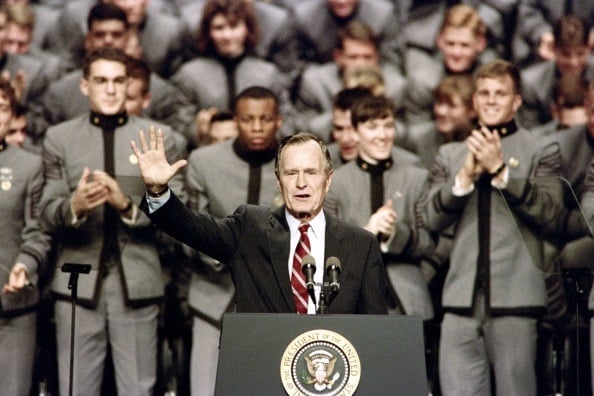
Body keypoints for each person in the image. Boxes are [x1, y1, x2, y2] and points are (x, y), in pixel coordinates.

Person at [39, 47, 183, 396]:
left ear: (130, 84)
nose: (111, 89)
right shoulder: (60, 138)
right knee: (75, 387)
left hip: (138, 282)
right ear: (84, 86)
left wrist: (127, 206)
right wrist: (73, 207)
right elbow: (46, 211)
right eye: (101, 80)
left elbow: (180, 218)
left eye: (119, 80)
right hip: (76, 282)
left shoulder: (159, 138)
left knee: (139, 389)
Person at [421, 59, 563, 395]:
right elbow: (430, 218)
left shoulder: (541, 149)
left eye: (501, 93)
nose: (491, 100)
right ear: (474, 101)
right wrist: (463, 179)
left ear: (516, 102)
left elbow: (551, 215)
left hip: (517, 299)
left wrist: (501, 172)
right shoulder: (451, 154)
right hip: (459, 302)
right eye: (483, 93)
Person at [131, 129, 388, 314]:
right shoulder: (250, 228)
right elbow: (191, 228)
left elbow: (375, 327)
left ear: (328, 180)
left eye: (311, 172)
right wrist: (158, 191)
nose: (301, 183)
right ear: (279, 181)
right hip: (262, 367)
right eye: (291, 173)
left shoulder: (360, 244)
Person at [184, 86, 285, 396]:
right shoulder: (204, 161)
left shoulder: (294, 163)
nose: (256, 127)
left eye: (265, 119)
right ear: (235, 120)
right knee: (204, 389)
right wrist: (218, 252)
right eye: (248, 119)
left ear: (278, 121)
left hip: (278, 301)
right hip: (213, 296)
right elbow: (190, 228)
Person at [324, 91, 434, 319]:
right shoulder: (334, 183)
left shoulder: (417, 178)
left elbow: (432, 245)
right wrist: (367, 234)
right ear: (354, 133)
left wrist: (396, 234)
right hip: (349, 303)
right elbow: (325, 251)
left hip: (407, 303)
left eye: (388, 126)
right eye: (372, 127)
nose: (383, 135)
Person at [42, 2, 194, 147]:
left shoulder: (159, 90)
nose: (108, 41)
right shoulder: (61, 92)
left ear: (128, 38)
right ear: (88, 40)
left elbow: (174, 141)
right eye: (100, 35)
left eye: (116, 34)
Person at [171, 0, 294, 142]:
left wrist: (265, 136)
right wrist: (197, 130)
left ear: (247, 29)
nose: (227, 35)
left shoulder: (268, 74)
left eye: (234, 26)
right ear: (208, 32)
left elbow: (287, 123)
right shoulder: (189, 75)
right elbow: (177, 126)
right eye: (219, 28)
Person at [0, 76, 51, 396]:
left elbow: (39, 230)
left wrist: (26, 264)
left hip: (14, 303)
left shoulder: (30, 166)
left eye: (2, 107)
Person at [294, 20, 406, 141]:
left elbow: (402, 133)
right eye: (353, 57)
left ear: (377, 57)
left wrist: (374, 106)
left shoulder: (395, 85)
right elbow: (303, 130)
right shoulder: (314, 81)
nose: (361, 64)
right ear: (338, 57)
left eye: (367, 57)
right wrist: (347, 105)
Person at [404, 4, 497, 125]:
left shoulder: (492, 81)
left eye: (464, 45)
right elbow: (418, 134)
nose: (456, 53)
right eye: (450, 44)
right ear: (439, 40)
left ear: (481, 44)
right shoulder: (423, 81)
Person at [519, 15, 594, 129]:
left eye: (580, 54)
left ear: (589, 48)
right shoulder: (531, 84)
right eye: (566, 54)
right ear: (554, 48)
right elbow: (530, 134)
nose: (573, 62)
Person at [292, 0, 402, 68]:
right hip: (326, 80)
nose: (342, 1)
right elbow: (296, 64)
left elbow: (391, 62)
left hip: (372, 76)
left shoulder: (383, 14)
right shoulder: (305, 17)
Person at [398, 74, 476, 169]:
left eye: (452, 106)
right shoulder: (423, 139)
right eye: (439, 103)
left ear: (472, 110)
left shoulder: (481, 144)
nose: (441, 111)